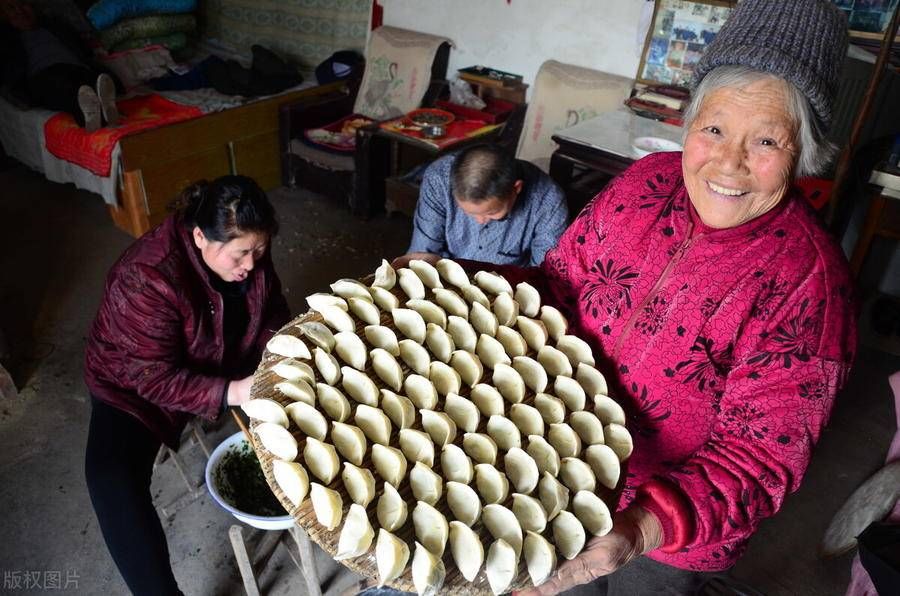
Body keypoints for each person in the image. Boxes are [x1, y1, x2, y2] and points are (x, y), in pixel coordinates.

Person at [506, 1, 857, 593]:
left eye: (766, 139)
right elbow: (556, 286)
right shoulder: (645, 183)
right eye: (714, 127)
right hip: (556, 470)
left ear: (803, 155)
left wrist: (640, 529)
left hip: (671, 535)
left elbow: (759, 461)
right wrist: (452, 274)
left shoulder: (810, 287)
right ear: (689, 122)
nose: (728, 162)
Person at [83, 176, 290, 595]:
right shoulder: (145, 277)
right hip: (134, 387)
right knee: (109, 476)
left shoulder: (246, 249)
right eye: (241, 254)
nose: (250, 264)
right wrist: (233, 392)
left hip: (225, 354)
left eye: (259, 250)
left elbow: (272, 311)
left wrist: (276, 353)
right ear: (199, 236)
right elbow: (153, 377)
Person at [394, 143, 567, 268]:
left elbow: (544, 275)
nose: (479, 220)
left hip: (508, 289)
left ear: (516, 188)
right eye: (467, 212)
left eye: (492, 212)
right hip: (446, 276)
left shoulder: (548, 201)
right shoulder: (439, 179)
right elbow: (423, 251)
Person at [0, 0, 119, 131]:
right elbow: (10, 74)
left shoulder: (55, 25)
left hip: (75, 67)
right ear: (4, 16)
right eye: (11, 8)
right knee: (63, 89)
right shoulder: (7, 40)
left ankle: (104, 108)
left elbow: (84, 49)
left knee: (96, 80)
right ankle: (92, 115)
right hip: (43, 75)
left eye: (23, 4)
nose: (19, 11)